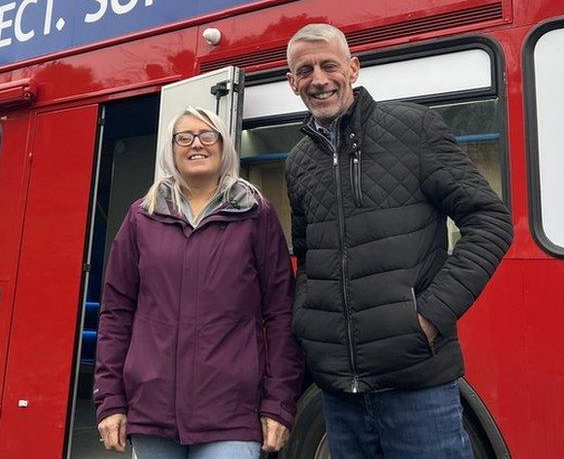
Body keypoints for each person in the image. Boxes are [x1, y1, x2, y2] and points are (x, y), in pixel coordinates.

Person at [284, 23, 514, 458]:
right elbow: (308, 258)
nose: (318, 79)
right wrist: (308, 327)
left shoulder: (415, 128)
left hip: (416, 384)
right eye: (305, 70)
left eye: (329, 65)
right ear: (291, 82)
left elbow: (491, 220)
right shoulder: (298, 162)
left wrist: (428, 317)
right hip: (338, 392)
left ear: (353, 68)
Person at [93, 107, 304, 458]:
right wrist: (111, 399)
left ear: (224, 147)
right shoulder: (141, 217)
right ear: (171, 150)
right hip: (152, 409)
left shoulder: (256, 215)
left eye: (208, 136)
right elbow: (117, 312)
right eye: (184, 137)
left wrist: (278, 402)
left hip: (232, 413)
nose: (197, 144)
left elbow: (281, 314)